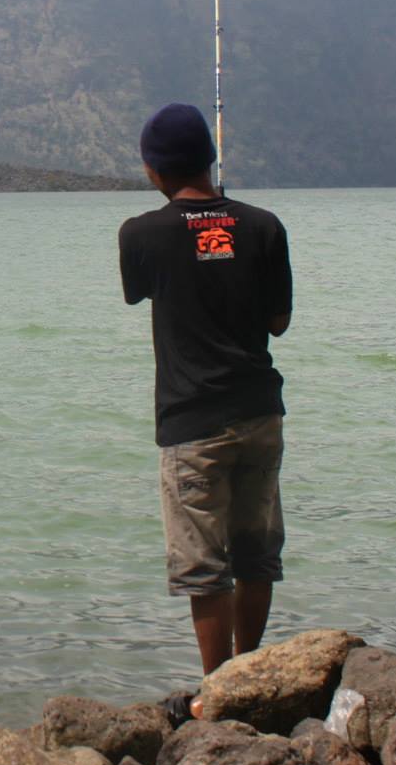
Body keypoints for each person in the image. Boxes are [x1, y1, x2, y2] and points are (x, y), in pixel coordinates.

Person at [117, 102, 292, 713]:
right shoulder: (265, 226)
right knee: (254, 557)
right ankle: (247, 678)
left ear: (152, 169)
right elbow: (279, 322)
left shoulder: (140, 234)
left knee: (205, 569)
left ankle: (218, 696)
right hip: (260, 413)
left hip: (192, 422)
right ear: (211, 158)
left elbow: (139, 292)